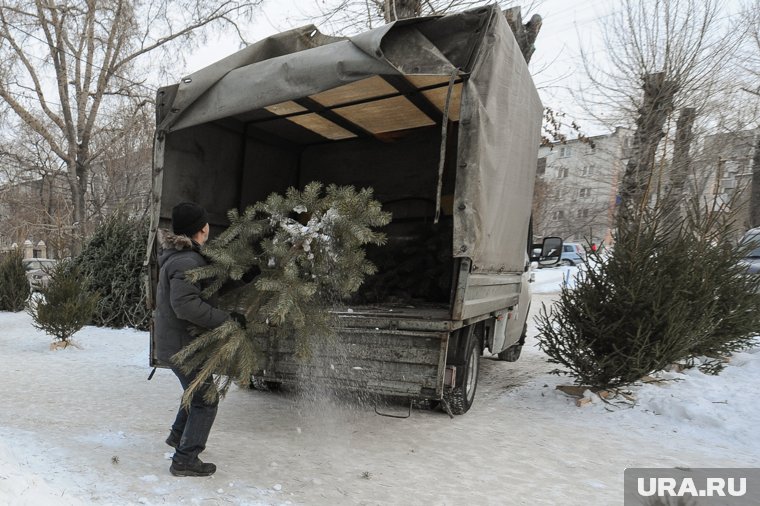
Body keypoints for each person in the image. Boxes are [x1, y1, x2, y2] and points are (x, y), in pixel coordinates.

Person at [154, 202, 231, 477]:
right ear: (202, 228)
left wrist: (242, 278)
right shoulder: (187, 260)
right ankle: (185, 459)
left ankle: (179, 437)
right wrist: (228, 320)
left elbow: (205, 284)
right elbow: (185, 306)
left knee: (195, 391)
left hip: (178, 342)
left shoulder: (184, 256)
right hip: (182, 345)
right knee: (205, 399)